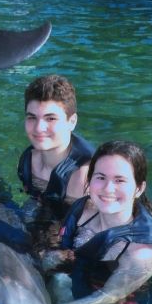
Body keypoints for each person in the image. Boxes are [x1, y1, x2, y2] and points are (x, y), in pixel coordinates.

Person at [40, 140, 152, 304]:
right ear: (89, 180)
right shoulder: (84, 209)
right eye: (101, 177)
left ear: (139, 188)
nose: (108, 189)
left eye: (120, 180)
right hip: (75, 275)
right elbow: (59, 239)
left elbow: (103, 298)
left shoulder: (141, 253)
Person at [17, 75, 95, 228]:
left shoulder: (85, 177)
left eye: (50, 118)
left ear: (71, 122)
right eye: (32, 117)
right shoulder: (29, 158)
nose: (39, 128)